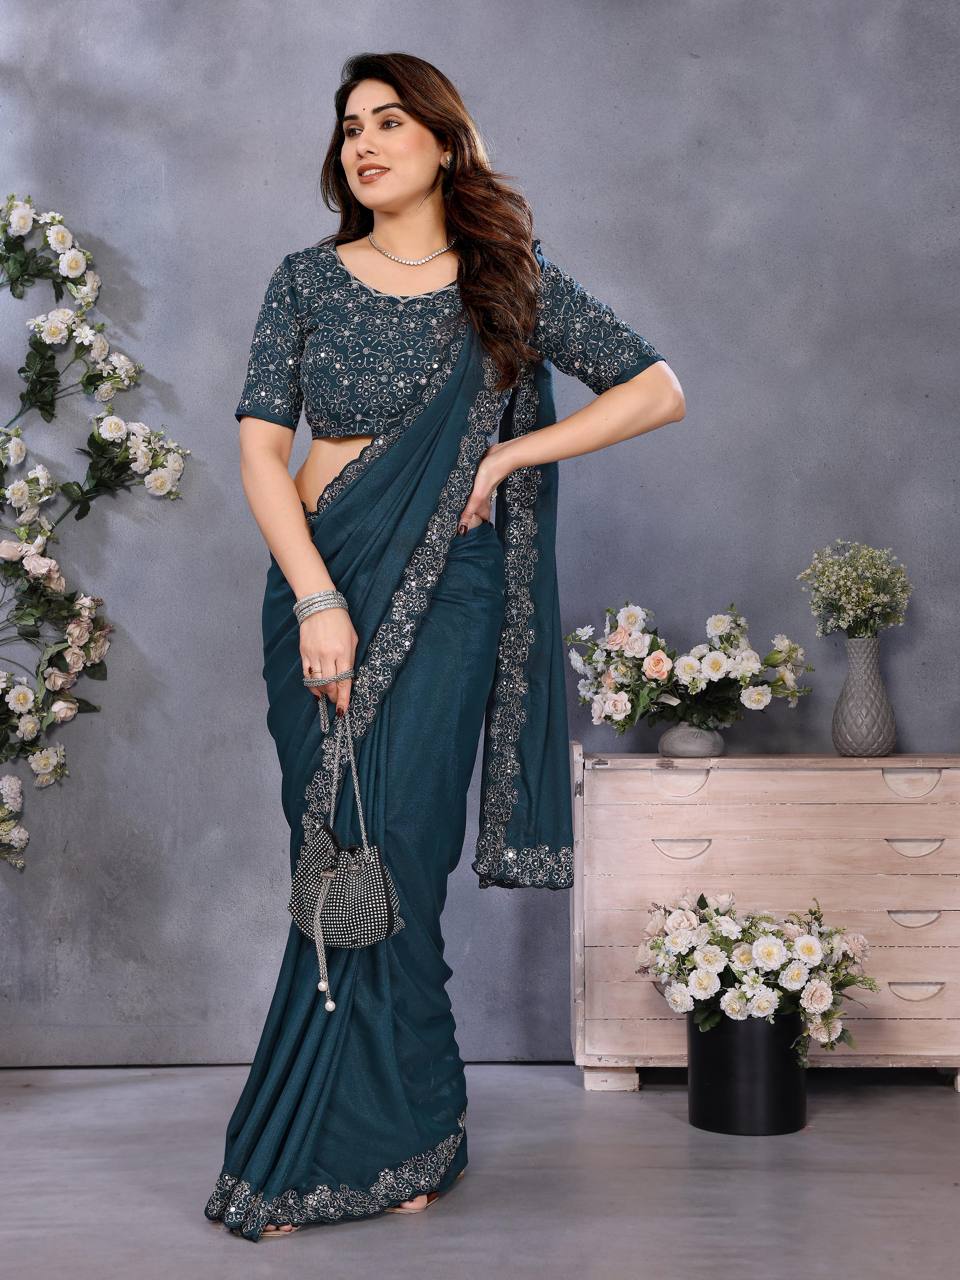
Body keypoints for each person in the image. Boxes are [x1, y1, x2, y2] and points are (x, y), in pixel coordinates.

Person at [204, 52, 684, 1241]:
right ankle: (402, 1120)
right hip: (318, 585)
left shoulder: (506, 284)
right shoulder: (305, 279)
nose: (364, 143)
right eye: (349, 127)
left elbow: (656, 387)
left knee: (400, 852)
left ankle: (388, 1131)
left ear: (443, 141)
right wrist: (317, 598)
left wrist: (512, 453)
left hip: (450, 597)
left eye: (388, 121)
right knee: (331, 845)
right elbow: (262, 450)